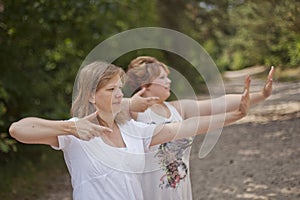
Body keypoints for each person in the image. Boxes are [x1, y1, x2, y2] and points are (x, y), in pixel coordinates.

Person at [9, 61, 251, 200]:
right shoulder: (75, 134)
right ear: (92, 95)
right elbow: (18, 130)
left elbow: (186, 127)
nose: (118, 95)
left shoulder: (134, 130)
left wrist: (235, 115)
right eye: (110, 89)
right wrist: (70, 127)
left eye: (120, 88)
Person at [125, 56, 274, 200]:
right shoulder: (134, 113)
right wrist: (131, 103)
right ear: (145, 84)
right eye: (162, 78)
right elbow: (107, 105)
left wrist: (261, 95)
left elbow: (219, 103)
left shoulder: (178, 109)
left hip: (180, 192)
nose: (169, 81)